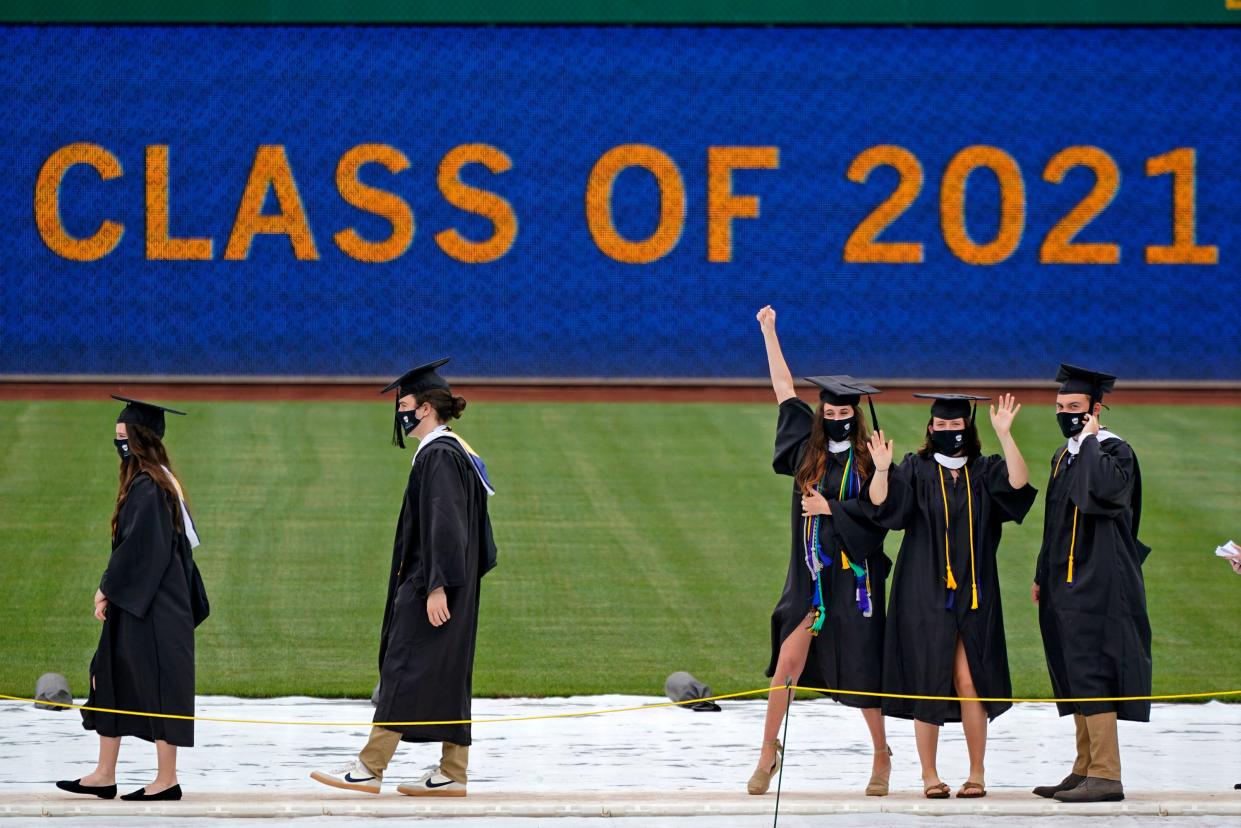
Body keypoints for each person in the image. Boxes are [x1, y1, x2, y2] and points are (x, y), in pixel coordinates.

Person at [312, 358, 497, 797]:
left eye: (407, 404)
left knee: (403, 664)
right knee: (448, 671)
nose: (401, 412)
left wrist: (435, 585)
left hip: (433, 585)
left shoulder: (439, 456)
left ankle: (369, 767)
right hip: (456, 584)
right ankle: (453, 771)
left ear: (428, 409)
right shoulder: (455, 451)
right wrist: (458, 584)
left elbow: (444, 524)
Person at [749, 306, 893, 797]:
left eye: (842, 414)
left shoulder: (870, 457)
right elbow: (784, 389)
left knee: (864, 669)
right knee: (788, 662)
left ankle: (881, 755)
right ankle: (768, 751)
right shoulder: (805, 451)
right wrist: (770, 332)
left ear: (854, 416)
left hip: (856, 582)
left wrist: (836, 505)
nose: (835, 419)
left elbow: (878, 515)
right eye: (828, 413)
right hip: (809, 580)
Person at [869, 392, 1035, 799]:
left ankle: (977, 774)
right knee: (929, 679)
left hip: (976, 593)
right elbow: (881, 505)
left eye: (955, 425)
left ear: (968, 428)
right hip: (923, 593)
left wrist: (1006, 435)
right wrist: (881, 470)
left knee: (970, 679)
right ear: (930, 429)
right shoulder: (913, 468)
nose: (948, 431)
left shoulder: (985, 470)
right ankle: (929, 775)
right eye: (941, 426)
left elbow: (1018, 484)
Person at [57, 396, 207, 802]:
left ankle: (166, 779)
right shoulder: (153, 480)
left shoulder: (150, 486)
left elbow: (141, 549)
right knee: (111, 675)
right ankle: (104, 774)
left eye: (124, 436)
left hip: (156, 608)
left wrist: (106, 588)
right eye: (116, 436)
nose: (119, 444)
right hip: (143, 603)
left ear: (141, 439)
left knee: (161, 687)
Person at [1032, 364, 1151, 804]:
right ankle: (1084, 768)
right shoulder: (1064, 455)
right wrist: (1042, 573)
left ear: (1095, 409)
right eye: (1061, 407)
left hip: (1100, 577)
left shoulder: (1114, 452)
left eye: (1075, 408)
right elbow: (1055, 523)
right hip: (1064, 577)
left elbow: (1100, 496)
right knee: (1071, 666)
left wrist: (1091, 442)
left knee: (1093, 666)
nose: (1065, 415)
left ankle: (1106, 774)